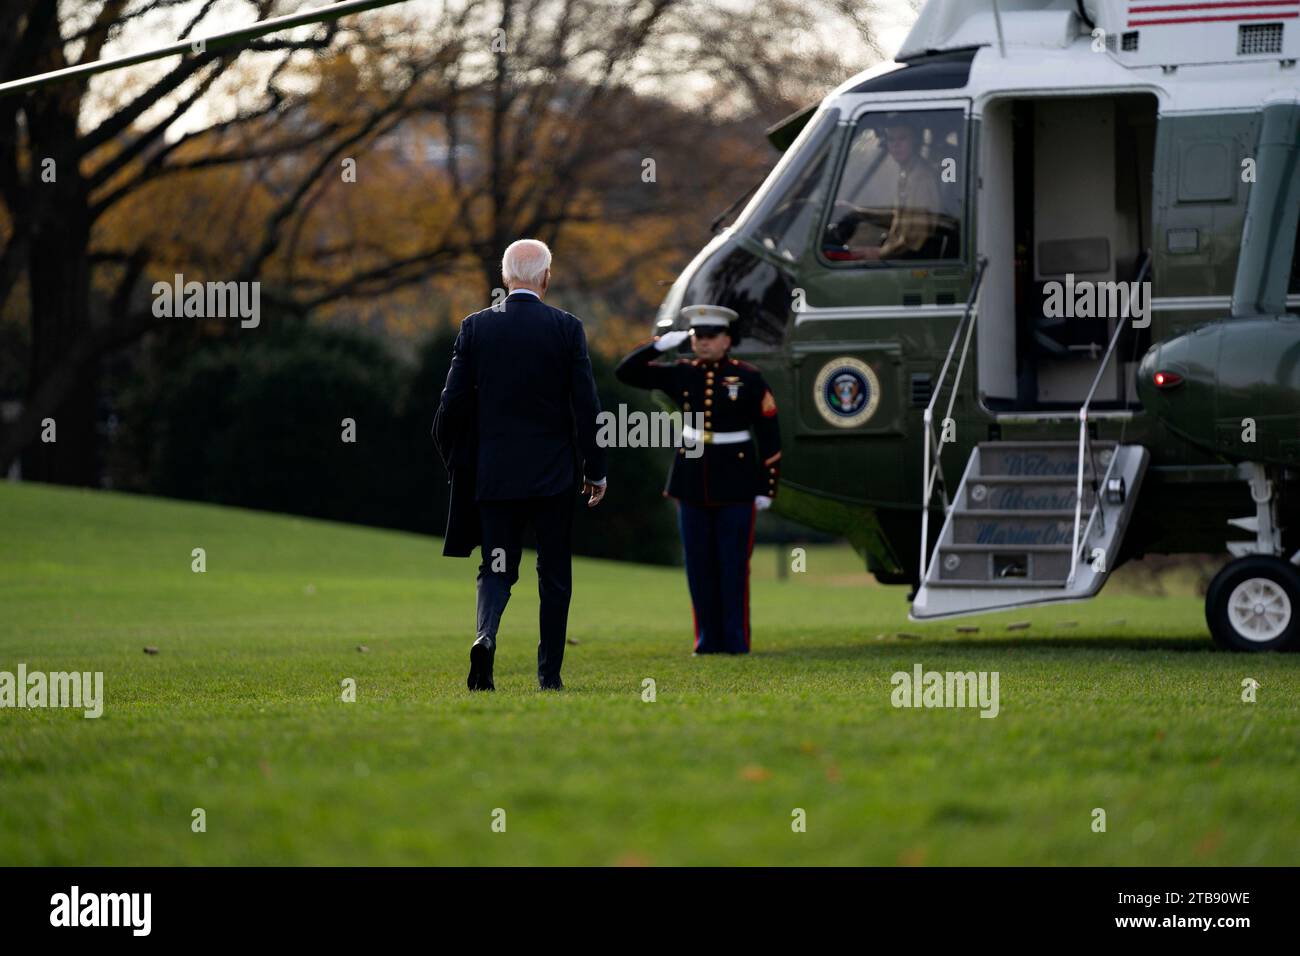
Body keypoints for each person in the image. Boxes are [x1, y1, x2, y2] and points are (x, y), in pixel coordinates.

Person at [435, 239, 607, 692]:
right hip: (553, 476)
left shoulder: (475, 328)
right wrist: (596, 469)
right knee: (554, 574)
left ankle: (485, 637)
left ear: (504, 277)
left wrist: (459, 463)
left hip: (495, 475)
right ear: (546, 278)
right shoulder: (567, 328)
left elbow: (449, 408)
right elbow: (588, 407)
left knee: (496, 567)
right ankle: (549, 676)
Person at [615, 305, 781, 655]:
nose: (702, 344)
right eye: (696, 337)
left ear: (727, 340)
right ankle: (706, 639)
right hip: (692, 478)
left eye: (710, 337)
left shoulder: (748, 377)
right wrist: (659, 345)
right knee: (699, 565)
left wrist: (767, 485)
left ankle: (735, 640)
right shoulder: (682, 372)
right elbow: (627, 372)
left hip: (736, 480)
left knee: (733, 564)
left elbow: (768, 433)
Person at [829, 118, 942, 261]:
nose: (896, 145)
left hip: (912, 261)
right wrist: (858, 212)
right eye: (891, 139)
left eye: (902, 138)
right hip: (897, 252)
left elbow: (916, 238)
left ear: (915, 141)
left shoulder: (921, 177)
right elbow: (900, 217)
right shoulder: (907, 173)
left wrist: (880, 253)